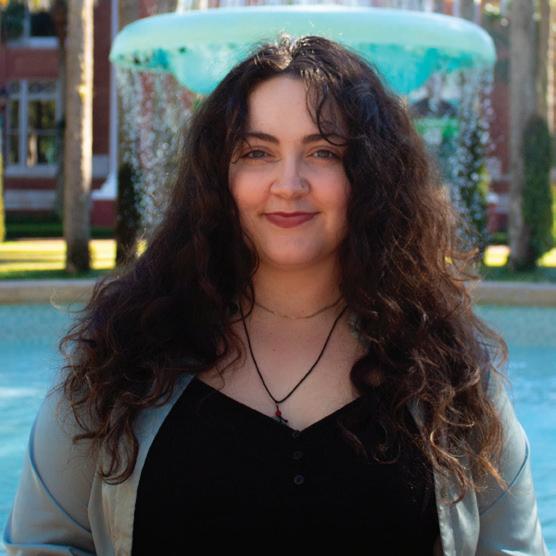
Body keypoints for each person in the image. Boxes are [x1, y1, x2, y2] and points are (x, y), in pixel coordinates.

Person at [3, 33, 550, 555]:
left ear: (372, 175)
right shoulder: (122, 356)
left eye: (324, 152)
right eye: (257, 152)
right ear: (217, 176)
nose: (288, 184)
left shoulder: (451, 373)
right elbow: (44, 545)